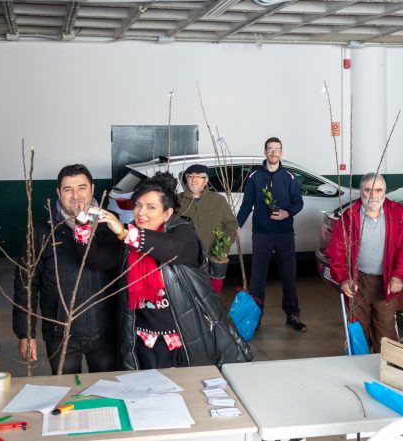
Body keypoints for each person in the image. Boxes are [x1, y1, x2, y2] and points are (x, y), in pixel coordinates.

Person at [97, 172, 252, 369]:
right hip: (145, 343)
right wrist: (83, 230)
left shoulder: (183, 233)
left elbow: (171, 248)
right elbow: (101, 260)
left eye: (151, 207)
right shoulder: (129, 240)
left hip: (185, 342)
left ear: (168, 213)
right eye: (138, 205)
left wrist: (125, 233)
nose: (141, 213)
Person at [13, 164, 118, 374]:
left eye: (82, 188)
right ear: (58, 193)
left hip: (106, 331)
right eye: (68, 189)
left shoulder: (110, 226)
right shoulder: (42, 231)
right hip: (60, 334)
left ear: (93, 189)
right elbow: (27, 284)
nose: (76, 196)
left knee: (108, 391)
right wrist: (26, 333)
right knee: (66, 394)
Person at [326, 173, 403, 353]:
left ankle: (385, 370)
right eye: (368, 190)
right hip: (358, 282)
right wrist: (344, 279)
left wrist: (397, 276)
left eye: (378, 190)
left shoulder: (397, 213)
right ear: (361, 192)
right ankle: (358, 370)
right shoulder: (349, 216)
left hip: (386, 281)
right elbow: (337, 252)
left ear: (385, 192)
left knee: (385, 332)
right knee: (359, 331)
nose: (373, 195)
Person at [236, 137, 306, 331]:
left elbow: (298, 203)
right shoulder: (254, 177)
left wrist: (288, 213)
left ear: (281, 153)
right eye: (270, 149)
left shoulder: (289, 177)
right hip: (261, 234)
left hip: (284, 234)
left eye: (277, 150)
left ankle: (292, 314)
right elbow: (247, 204)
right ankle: (255, 316)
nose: (274, 153)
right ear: (265, 151)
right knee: (257, 278)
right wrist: (237, 224)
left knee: (289, 276)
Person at [178, 164, 238, 293]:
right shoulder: (178, 201)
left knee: (212, 297)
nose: (193, 179)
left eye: (198, 176)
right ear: (186, 180)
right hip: (185, 260)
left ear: (205, 181)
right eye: (190, 176)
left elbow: (232, 225)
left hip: (212, 259)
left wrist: (222, 248)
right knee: (187, 296)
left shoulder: (218, 200)